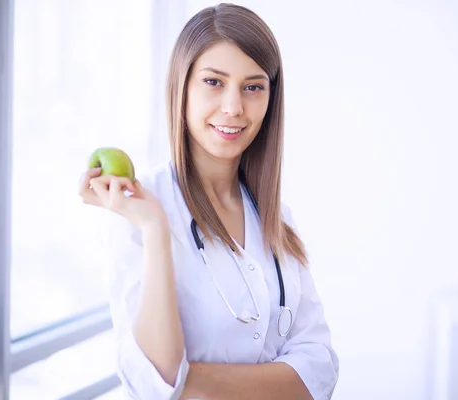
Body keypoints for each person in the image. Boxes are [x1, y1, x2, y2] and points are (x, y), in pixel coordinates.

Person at [78, 3, 339, 399]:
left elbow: (320, 368)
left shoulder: (277, 219)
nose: (234, 107)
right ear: (181, 87)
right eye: (214, 82)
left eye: (253, 87)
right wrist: (155, 230)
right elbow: (156, 383)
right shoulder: (137, 212)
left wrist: (193, 379)